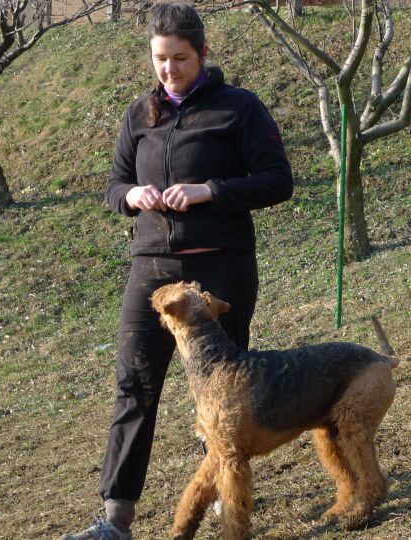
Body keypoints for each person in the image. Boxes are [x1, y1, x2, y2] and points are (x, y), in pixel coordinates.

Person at [62, 3, 293, 539]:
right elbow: (113, 187)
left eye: (180, 59)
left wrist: (211, 190)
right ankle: (115, 520)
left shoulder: (240, 108)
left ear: (203, 54)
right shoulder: (138, 116)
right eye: (160, 59)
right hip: (153, 274)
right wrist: (132, 196)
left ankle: (220, 496)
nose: (169, 70)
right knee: (134, 387)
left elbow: (277, 181)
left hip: (220, 272)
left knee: (222, 396)